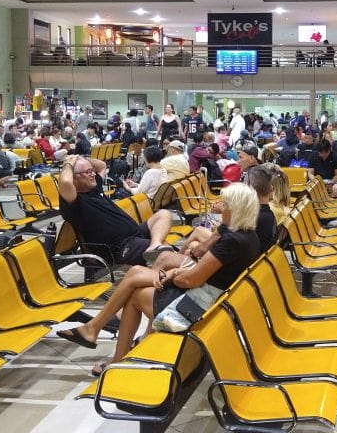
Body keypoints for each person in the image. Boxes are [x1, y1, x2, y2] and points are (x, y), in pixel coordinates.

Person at [58, 183, 261, 375]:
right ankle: (104, 340)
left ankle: (106, 345)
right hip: (212, 298)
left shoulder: (232, 241)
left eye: (225, 205)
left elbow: (190, 281)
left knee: (135, 291)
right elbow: (204, 263)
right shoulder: (246, 234)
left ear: (235, 209)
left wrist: (171, 276)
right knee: (136, 275)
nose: (220, 207)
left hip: (199, 306)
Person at [58, 154, 176, 268]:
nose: (93, 174)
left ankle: (155, 244)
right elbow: (65, 182)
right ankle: (173, 263)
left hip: (134, 234)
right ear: (75, 178)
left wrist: (80, 158)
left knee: (163, 214)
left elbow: (102, 165)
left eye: (92, 170)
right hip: (121, 247)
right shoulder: (73, 201)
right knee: (166, 254)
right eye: (88, 172)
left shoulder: (94, 187)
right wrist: (68, 164)